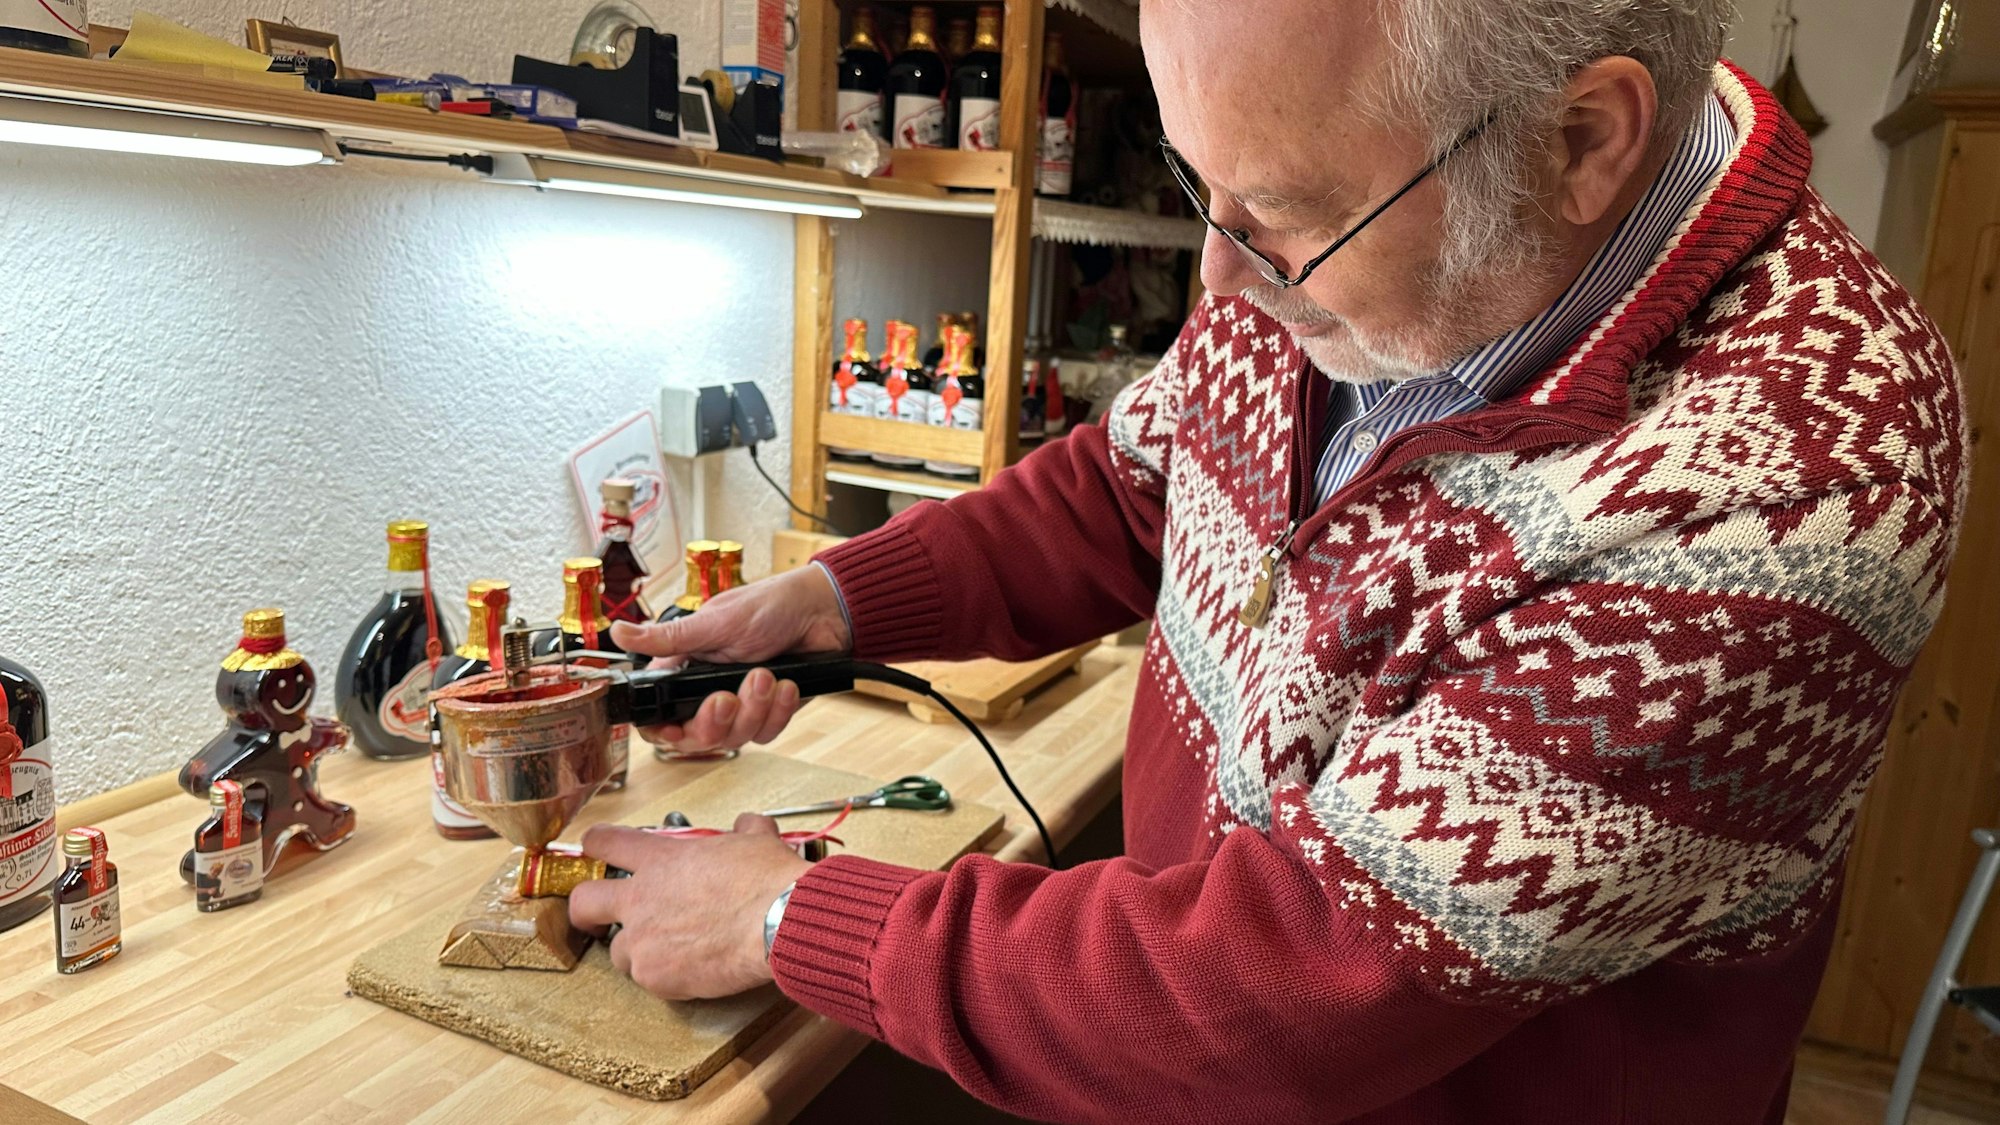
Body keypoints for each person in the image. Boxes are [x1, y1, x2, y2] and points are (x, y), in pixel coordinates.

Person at [566, 0, 1967, 1120]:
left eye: (1279, 210)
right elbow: (1130, 490)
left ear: (1583, 140)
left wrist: (786, 910)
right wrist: (829, 603)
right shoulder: (1360, 235)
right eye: (1199, 182)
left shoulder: (1786, 478)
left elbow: (1276, 991)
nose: (1218, 280)